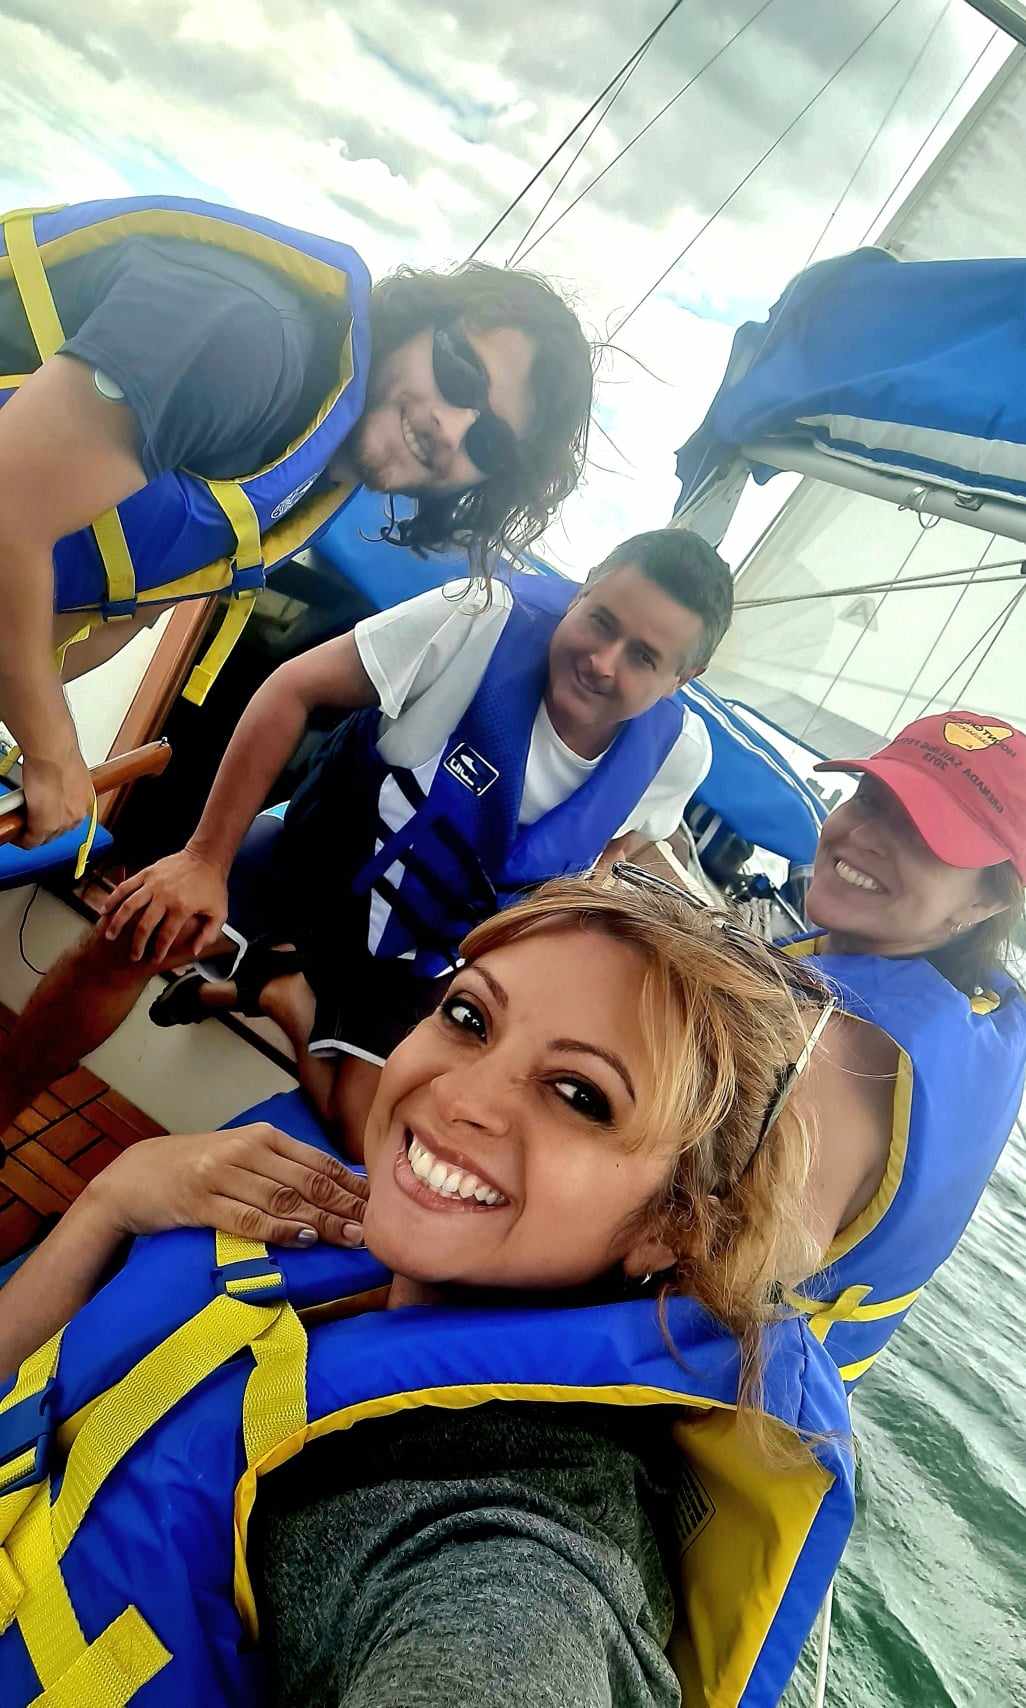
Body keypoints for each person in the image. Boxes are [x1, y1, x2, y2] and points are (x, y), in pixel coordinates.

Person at [0, 873, 851, 1708]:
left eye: (579, 1095)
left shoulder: (510, 1557)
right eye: (470, 1018)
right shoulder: (349, 1244)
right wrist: (111, 1199)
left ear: (668, 1226)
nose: (460, 1096)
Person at [0, 528, 733, 1151]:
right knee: (132, 934)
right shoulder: (476, 616)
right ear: (583, 589)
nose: (603, 661)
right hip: (312, 863)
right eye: (601, 621)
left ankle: (279, 991)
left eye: (643, 657)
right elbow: (294, 687)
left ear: (683, 677)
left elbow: (613, 857)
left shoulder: (677, 756)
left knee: (372, 1137)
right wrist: (204, 859)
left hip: (419, 951)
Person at [0, 196, 593, 847]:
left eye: (490, 446)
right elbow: (7, 509)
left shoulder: (303, 484)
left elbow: (124, 614)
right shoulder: (251, 340)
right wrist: (51, 748)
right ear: (425, 319)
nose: (450, 429)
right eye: (461, 375)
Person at [790, 709, 1026, 1388]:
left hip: (678, 1408)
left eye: (924, 834)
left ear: (984, 904)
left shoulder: (843, 1054)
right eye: (871, 799)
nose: (864, 836)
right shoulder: (978, 1008)